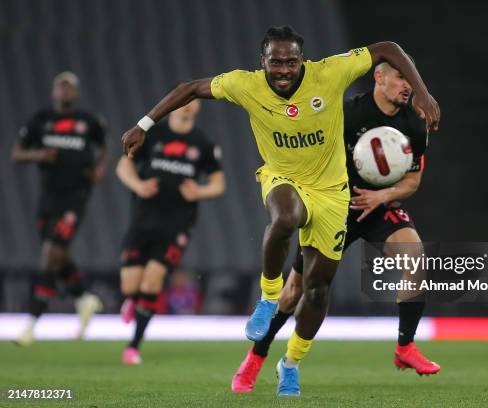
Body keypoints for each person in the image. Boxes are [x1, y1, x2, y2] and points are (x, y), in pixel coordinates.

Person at [121, 26, 440, 396]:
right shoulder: (247, 85)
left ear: (302, 60)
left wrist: (423, 93)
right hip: (284, 179)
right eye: (276, 62)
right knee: (285, 223)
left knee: (318, 291)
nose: (284, 69)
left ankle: (291, 363)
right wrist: (143, 124)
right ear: (263, 62)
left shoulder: (337, 78)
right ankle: (266, 300)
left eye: (291, 61)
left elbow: (387, 46)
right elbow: (191, 88)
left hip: (335, 195)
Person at [231, 62, 440, 393]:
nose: (408, 85)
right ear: (379, 76)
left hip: (376, 204)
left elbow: (413, 180)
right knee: (296, 291)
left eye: (410, 79)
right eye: (400, 76)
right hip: (333, 205)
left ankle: (404, 348)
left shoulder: (414, 122)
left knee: (415, 257)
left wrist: (381, 195)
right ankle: (257, 354)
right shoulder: (345, 112)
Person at [116, 99, 224, 365]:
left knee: (153, 279)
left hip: (178, 223)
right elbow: (123, 165)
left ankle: (133, 346)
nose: (187, 106)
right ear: (173, 105)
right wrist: (138, 185)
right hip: (143, 218)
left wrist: (200, 191)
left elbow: (218, 184)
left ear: (198, 107)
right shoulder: (153, 135)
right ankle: (133, 299)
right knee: (131, 285)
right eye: (183, 102)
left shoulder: (204, 144)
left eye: (192, 102)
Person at [11, 71, 106, 346]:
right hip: (48, 199)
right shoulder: (41, 120)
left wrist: (99, 167)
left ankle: (31, 323)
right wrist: (39, 154)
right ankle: (84, 297)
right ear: (54, 92)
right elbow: (16, 153)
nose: (65, 91)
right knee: (59, 254)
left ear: (75, 93)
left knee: (51, 253)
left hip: (74, 197)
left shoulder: (87, 121)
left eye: (69, 87)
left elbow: (105, 144)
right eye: (60, 87)